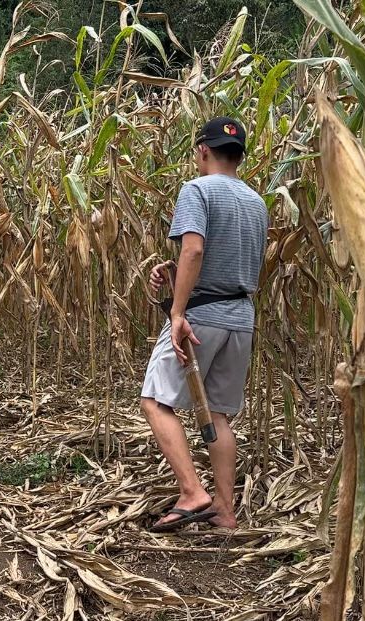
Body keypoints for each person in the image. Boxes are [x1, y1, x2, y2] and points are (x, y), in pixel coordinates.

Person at [141, 117, 267, 532]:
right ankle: (226, 513)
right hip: (240, 318)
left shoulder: (196, 189)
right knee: (217, 415)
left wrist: (178, 312)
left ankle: (193, 491)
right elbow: (227, 262)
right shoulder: (256, 202)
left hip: (202, 318)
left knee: (156, 401)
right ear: (239, 155)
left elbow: (195, 249)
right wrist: (177, 273)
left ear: (202, 151)